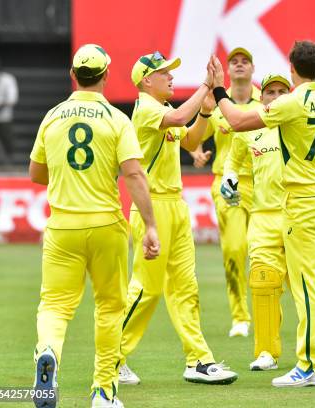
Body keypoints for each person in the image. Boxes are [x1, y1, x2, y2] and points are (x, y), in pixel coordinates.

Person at [210, 40, 315, 387]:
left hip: (301, 199)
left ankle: (311, 365)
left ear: (292, 68)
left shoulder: (293, 103)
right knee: (312, 280)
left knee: (305, 285)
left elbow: (235, 119)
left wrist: (218, 87)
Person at [29, 43, 160, 408]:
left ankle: (49, 353)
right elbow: (133, 174)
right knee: (109, 307)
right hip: (106, 224)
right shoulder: (117, 120)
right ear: (105, 76)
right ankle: (103, 391)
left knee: (54, 306)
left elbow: (36, 174)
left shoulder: (52, 116)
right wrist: (150, 225)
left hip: (62, 227)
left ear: (73, 75)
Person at [117, 52, 238, 386]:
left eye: (171, 72)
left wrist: (207, 108)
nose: (170, 77)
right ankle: (111, 355)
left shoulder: (165, 110)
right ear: (145, 81)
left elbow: (192, 138)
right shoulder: (145, 110)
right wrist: (207, 85)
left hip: (175, 204)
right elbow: (180, 119)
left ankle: (198, 360)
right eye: (164, 73)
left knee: (186, 286)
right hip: (151, 206)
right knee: (147, 288)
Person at [222, 73, 290, 371]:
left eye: (281, 92)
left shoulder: (301, 125)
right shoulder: (251, 128)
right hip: (262, 215)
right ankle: (266, 352)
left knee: (307, 286)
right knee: (263, 283)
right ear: (261, 98)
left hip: (298, 213)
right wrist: (229, 177)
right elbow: (233, 160)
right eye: (270, 92)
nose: (275, 97)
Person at [194, 47, 261, 337]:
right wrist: (196, 151)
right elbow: (197, 133)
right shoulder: (218, 102)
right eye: (234, 62)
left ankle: (268, 310)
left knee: (266, 254)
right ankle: (240, 316)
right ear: (228, 70)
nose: (239, 65)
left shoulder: (267, 99)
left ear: (253, 68)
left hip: (264, 185)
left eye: (245, 61)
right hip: (228, 183)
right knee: (234, 250)